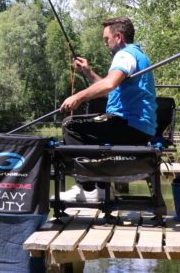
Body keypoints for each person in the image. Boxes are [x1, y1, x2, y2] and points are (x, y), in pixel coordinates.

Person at [58, 17, 157, 202]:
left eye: (106, 39)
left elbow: (109, 84)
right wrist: (88, 72)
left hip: (128, 125)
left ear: (118, 37)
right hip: (140, 127)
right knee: (92, 128)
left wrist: (77, 96)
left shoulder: (124, 55)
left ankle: (87, 188)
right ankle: (101, 189)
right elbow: (109, 89)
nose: (105, 44)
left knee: (71, 125)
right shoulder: (138, 55)